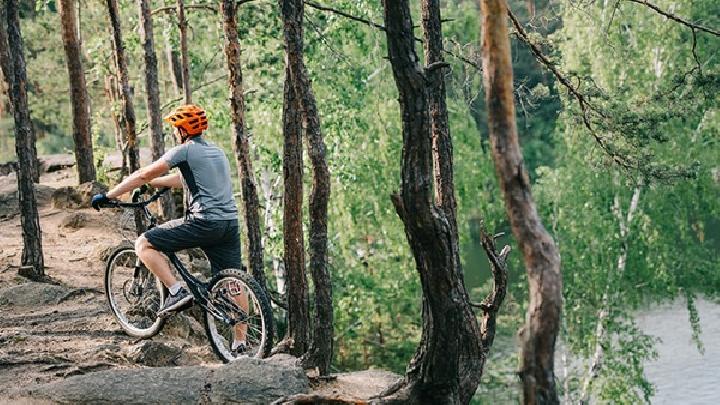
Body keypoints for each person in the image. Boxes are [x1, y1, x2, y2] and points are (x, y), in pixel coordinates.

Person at [91, 104, 248, 354]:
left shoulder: (184, 151)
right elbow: (183, 179)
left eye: (176, 128)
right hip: (228, 224)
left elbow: (143, 173)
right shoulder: (216, 152)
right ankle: (241, 343)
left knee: (143, 243)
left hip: (203, 223)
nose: (175, 132)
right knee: (232, 281)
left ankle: (176, 292)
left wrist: (109, 195)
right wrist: (154, 182)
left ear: (183, 130)